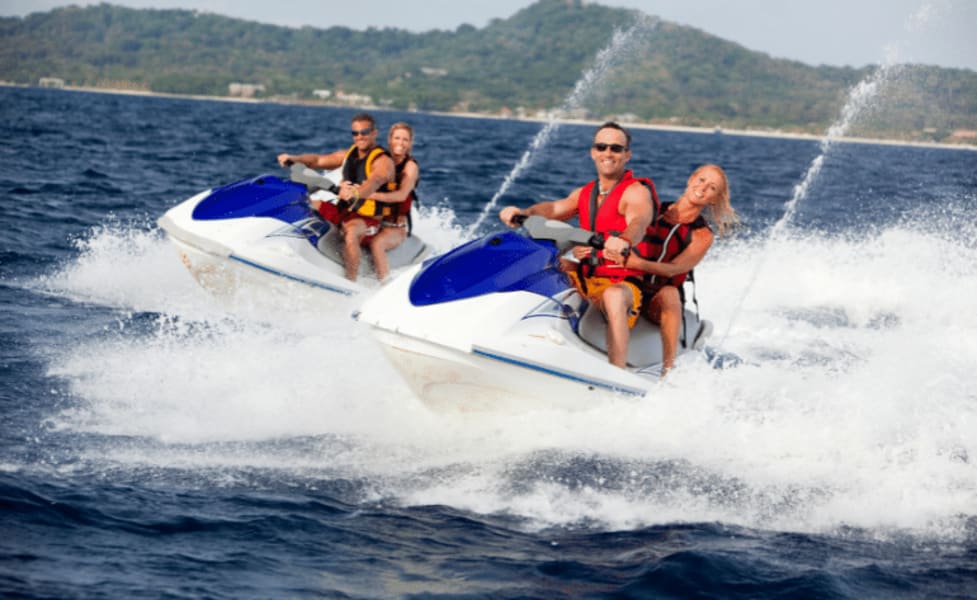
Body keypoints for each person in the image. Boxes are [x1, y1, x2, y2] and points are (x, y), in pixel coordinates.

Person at [500, 122, 658, 368]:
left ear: (627, 155)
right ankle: (512, 334)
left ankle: (615, 371)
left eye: (616, 148)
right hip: (587, 275)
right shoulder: (585, 193)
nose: (608, 153)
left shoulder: (636, 192)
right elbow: (553, 209)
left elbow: (639, 220)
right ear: (593, 152)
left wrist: (624, 240)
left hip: (622, 282)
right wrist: (523, 212)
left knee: (614, 296)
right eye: (602, 147)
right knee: (539, 262)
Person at [624, 164, 739, 376]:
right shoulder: (652, 209)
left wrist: (636, 264)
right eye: (702, 180)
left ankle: (667, 370)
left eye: (712, 188)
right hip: (627, 282)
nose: (703, 188)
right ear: (691, 179)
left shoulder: (702, 235)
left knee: (670, 294)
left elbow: (674, 269)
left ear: (713, 199)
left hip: (656, 298)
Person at [276, 112, 397, 282]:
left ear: (374, 133)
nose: (360, 137)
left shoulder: (383, 161)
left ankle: (351, 281)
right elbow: (317, 160)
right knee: (303, 204)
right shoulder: (348, 155)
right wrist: (293, 158)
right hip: (344, 210)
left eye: (365, 132)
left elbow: (375, 181)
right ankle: (286, 250)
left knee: (351, 232)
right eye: (355, 133)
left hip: (369, 219)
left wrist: (355, 193)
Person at [363, 122, 420, 282]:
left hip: (394, 228)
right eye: (397, 138)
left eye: (405, 140)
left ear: (410, 143)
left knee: (377, 244)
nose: (400, 143)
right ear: (389, 139)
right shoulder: (381, 160)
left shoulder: (410, 167)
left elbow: (401, 196)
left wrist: (371, 195)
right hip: (375, 219)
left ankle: (383, 283)